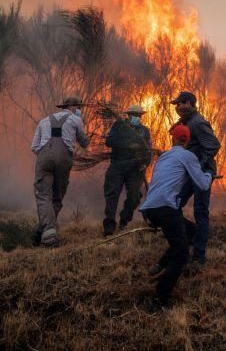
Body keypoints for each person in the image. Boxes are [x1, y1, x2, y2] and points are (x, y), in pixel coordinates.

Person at [140, 125, 212, 307]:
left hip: (150, 209)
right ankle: (160, 297)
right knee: (181, 256)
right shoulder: (188, 156)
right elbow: (203, 185)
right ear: (187, 140)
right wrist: (210, 173)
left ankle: (162, 263)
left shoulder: (163, 157)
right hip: (166, 209)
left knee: (191, 231)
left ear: (173, 139)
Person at [30, 96, 89, 247]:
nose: (80, 110)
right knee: (56, 197)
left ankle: (43, 230)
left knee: (43, 196)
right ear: (73, 107)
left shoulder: (44, 120)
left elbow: (34, 146)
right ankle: (49, 236)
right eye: (79, 108)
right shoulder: (75, 120)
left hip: (44, 158)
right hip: (64, 160)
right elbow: (84, 142)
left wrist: (46, 155)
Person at [170, 90, 221, 264]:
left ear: (191, 104)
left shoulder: (198, 123)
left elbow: (213, 145)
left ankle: (199, 256)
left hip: (202, 173)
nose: (179, 107)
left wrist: (199, 166)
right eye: (177, 104)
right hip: (190, 173)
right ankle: (191, 235)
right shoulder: (184, 122)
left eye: (183, 103)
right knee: (173, 205)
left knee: (200, 211)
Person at [102, 104, 153, 236]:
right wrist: (129, 145)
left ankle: (124, 220)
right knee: (112, 195)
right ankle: (109, 226)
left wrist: (145, 163)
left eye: (139, 116)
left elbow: (148, 150)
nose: (137, 117)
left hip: (135, 168)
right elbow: (109, 142)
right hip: (118, 166)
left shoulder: (144, 131)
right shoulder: (119, 126)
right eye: (134, 115)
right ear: (128, 115)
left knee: (135, 196)